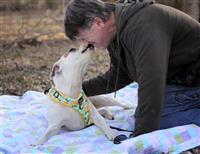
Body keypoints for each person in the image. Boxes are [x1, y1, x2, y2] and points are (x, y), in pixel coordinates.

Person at [64, 0, 200, 137]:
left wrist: (140, 139)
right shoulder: (116, 31)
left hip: (194, 82)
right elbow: (120, 74)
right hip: (181, 82)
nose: (85, 44)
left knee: (157, 119)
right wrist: (76, 91)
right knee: (145, 114)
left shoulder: (144, 25)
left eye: (83, 38)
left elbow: (152, 81)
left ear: (98, 22)